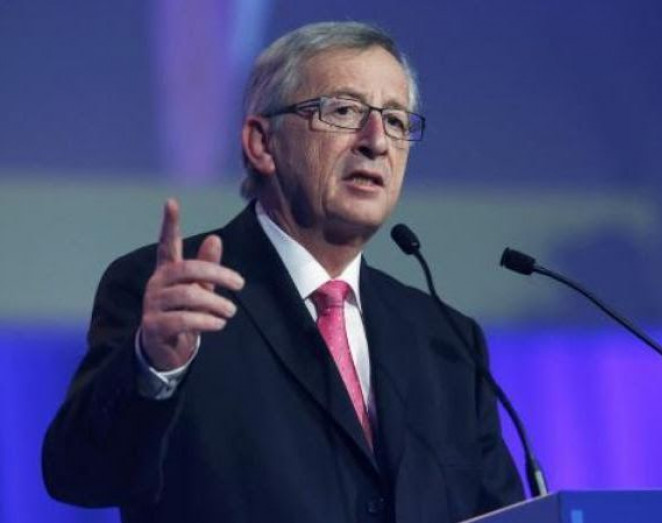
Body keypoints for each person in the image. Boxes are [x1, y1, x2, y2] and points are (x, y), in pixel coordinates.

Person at [42, 21, 523, 522]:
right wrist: (154, 366)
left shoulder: (446, 340)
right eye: (344, 111)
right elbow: (78, 475)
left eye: (396, 121)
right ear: (262, 143)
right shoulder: (176, 295)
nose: (377, 141)